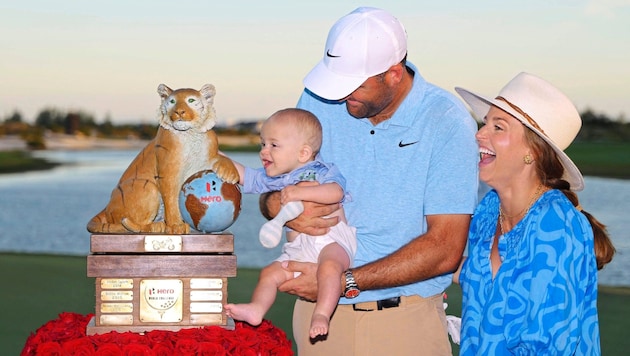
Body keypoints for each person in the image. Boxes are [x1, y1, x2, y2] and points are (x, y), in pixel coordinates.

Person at [259, 7, 479, 355]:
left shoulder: (447, 121)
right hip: (320, 324)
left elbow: (445, 249)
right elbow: (274, 184)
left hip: (406, 322)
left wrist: (342, 282)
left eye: (354, 85)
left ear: (393, 73)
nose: (341, 94)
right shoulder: (318, 100)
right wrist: (278, 205)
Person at [453, 72, 616, 354]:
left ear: (532, 151)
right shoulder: (488, 211)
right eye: (484, 123)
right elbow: (477, 273)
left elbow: (548, 344)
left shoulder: (557, 224)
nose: (479, 134)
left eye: (498, 127)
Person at [223, 108, 357, 339]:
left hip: (332, 241)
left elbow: (335, 192)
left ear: (304, 152)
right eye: (262, 144)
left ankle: (322, 314)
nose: (263, 151)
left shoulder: (321, 171)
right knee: (270, 273)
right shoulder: (273, 178)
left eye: (273, 145)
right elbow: (245, 176)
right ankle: (257, 309)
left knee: (330, 269)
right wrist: (215, 157)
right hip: (297, 250)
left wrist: (298, 193)